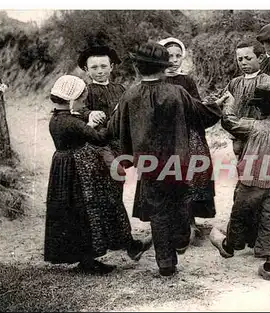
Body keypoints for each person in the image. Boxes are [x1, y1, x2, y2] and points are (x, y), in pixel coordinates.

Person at [110, 42, 223, 277]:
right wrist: (218, 107)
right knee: (181, 203)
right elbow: (201, 115)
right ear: (164, 67)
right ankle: (181, 239)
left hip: (148, 164)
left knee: (158, 213)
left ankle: (165, 262)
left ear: (138, 68)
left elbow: (116, 128)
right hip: (178, 162)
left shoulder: (129, 94)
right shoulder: (177, 93)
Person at [44, 75, 151, 274]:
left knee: (75, 211)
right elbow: (101, 138)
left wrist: (88, 126)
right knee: (88, 209)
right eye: (82, 98)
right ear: (72, 99)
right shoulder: (72, 122)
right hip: (78, 169)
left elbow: (78, 131)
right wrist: (116, 118)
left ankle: (92, 255)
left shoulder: (57, 119)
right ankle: (90, 259)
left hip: (63, 167)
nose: (84, 101)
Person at [210, 83, 270, 280]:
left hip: (252, 179)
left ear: (258, 108)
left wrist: (230, 103)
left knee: (239, 213)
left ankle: (229, 246)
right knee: (269, 219)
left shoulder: (254, 127)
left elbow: (229, 122)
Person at [157, 37, 216, 243]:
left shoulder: (187, 80)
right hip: (165, 136)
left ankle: (190, 221)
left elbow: (195, 105)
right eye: (168, 56)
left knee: (192, 175)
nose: (173, 60)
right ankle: (169, 223)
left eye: (177, 56)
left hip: (188, 134)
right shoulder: (156, 81)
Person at [224, 39, 270, 158]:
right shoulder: (234, 83)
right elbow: (227, 106)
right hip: (238, 136)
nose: (243, 63)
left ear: (260, 58)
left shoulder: (269, 82)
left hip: (262, 136)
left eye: (248, 58)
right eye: (240, 59)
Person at [77, 45, 126, 174]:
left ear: (111, 67)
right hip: (98, 143)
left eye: (104, 66)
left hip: (118, 142)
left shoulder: (120, 89)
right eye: (94, 67)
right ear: (86, 70)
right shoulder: (85, 91)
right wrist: (90, 113)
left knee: (118, 181)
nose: (99, 71)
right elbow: (78, 109)